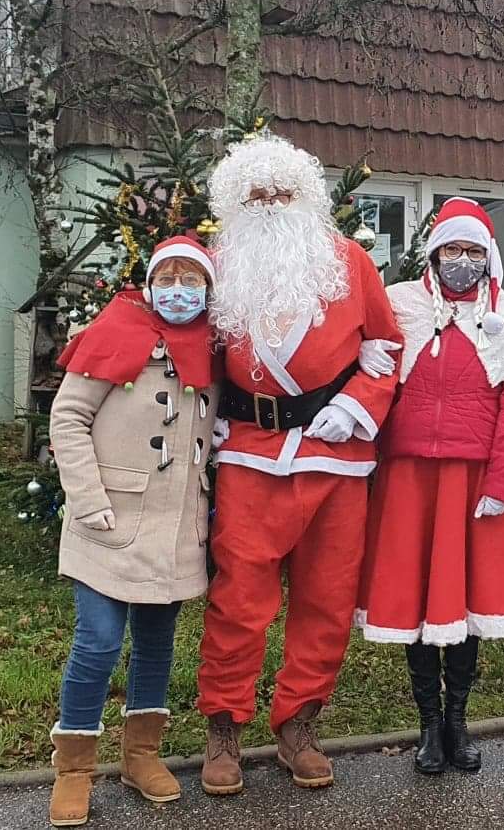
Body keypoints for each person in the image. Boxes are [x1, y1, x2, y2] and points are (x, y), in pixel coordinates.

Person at [195, 135, 405, 796]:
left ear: (305, 197)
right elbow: (191, 347)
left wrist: (357, 404)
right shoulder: (217, 264)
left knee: (327, 596)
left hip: (334, 458)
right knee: (238, 597)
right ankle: (225, 726)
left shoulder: (348, 263)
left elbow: (387, 345)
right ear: (236, 204)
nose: (270, 205)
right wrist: (208, 410)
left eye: (281, 193)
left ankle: (299, 724)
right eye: (256, 195)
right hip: (248, 453)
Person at [356, 197, 504, 776]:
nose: (461, 261)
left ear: (487, 255)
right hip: (408, 479)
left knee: (466, 601)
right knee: (417, 598)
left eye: (472, 251)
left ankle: (458, 722)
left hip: (475, 482)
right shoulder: (400, 306)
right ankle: (427, 724)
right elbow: (373, 384)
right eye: (451, 250)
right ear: (435, 253)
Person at [45, 235, 220, 827]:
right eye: (167, 279)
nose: (178, 291)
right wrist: (87, 499)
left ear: (208, 289)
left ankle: (141, 755)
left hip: (176, 526)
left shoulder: (211, 349)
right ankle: (74, 769)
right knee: (97, 641)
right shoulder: (114, 332)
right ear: (149, 284)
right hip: (110, 519)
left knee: (155, 644)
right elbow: (68, 417)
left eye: (191, 281)